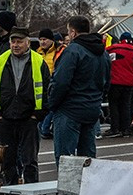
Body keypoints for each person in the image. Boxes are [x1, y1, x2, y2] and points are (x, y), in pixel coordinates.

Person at [0, 27, 49, 186]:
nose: (15, 45)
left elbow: (47, 88)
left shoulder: (38, 61)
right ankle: (11, 192)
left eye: (19, 41)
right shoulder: (1, 60)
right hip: (5, 117)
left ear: (28, 43)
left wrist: (37, 115)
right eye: (13, 41)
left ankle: (31, 193)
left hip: (29, 118)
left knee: (30, 159)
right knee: (7, 159)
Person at [46, 15, 110, 161]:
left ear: (73, 32)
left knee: (65, 159)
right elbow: (106, 83)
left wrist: (52, 104)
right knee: (88, 159)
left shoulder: (72, 51)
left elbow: (61, 82)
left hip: (70, 110)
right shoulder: (103, 53)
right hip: (92, 108)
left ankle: (69, 184)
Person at [105, 32, 133, 137]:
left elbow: (106, 63)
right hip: (129, 83)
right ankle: (125, 128)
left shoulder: (113, 49)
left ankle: (115, 128)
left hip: (115, 82)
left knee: (114, 105)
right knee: (126, 105)